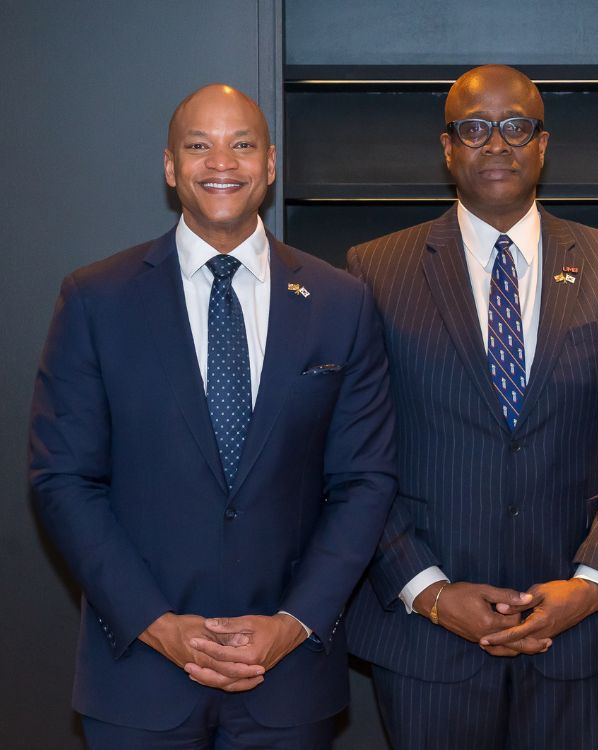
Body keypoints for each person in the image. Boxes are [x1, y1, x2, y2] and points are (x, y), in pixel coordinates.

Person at [29, 83, 396, 748]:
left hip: (287, 675)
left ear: (271, 163)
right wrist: (159, 625)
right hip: (137, 673)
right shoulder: (96, 298)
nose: (220, 162)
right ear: (171, 167)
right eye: (199, 145)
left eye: (242, 144)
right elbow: (63, 479)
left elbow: (365, 481)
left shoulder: (342, 303)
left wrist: (292, 623)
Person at [345, 64, 598, 749]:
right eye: (474, 128)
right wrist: (430, 591)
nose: (496, 143)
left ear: (543, 144)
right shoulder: (375, 271)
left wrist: (588, 586)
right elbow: (354, 454)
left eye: (515, 126)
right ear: (447, 148)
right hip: (426, 641)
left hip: (581, 640)